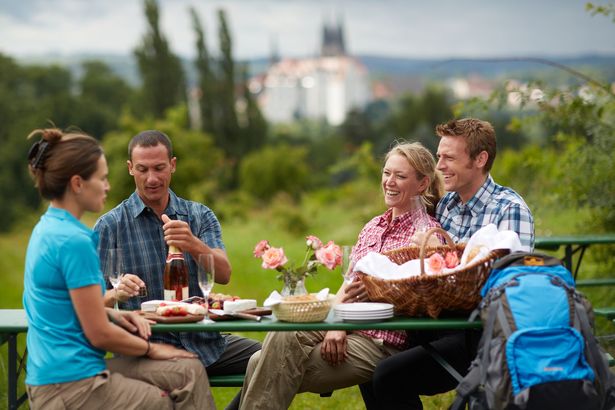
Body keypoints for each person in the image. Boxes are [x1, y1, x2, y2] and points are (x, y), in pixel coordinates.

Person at [238, 141, 444, 409]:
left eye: (400, 176)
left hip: (382, 340)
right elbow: (348, 287)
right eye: (386, 173)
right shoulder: (372, 227)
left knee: (261, 365)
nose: (389, 182)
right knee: (281, 336)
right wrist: (335, 324)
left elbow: (419, 300)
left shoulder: (428, 235)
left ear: (422, 184)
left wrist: (343, 324)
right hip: (346, 325)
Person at [23, 128, 214, 410]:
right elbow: (99, 334)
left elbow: (72, 308)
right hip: (71, 383)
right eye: (101, 178)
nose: (107, 186)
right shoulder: (74, 241)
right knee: (160, 402)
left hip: (65, 372)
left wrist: (116, 314)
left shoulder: (49, 227)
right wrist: (152, 348)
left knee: (189, 370)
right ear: (77, 183)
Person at [362, 118, 535, 409]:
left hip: (482, 332)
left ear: (480, 159)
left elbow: (508, 284)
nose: (439, 165)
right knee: (368, 363)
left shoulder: (509, 208)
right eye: (439, 156)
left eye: (449, 158)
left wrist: (440, 255)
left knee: (386, 375)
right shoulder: (447, 205)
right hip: (436, 322)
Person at [93, 130, 261, 407]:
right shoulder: (109, 226)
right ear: (130, 169)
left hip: (207, 342)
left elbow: (224, 275)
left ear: (172, 165)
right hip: (145, 350)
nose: (152, 178)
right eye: (143, 169)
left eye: (159, 168)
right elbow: (92, 305)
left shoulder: (199, 215)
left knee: (271, 360)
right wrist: (115, 293)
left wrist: (193, 243)